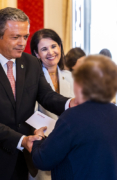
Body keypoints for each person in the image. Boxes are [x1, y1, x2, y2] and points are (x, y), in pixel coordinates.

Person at [0, 7, 76, 180]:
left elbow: (46, 96)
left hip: (23, 161)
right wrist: (22, 140)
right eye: (15, 37)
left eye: (25, 37)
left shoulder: (31, 63)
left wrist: (70, 104)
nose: (22, 43)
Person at [31, 55, 117, 180]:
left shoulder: (72, 117)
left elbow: (43, 160)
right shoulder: (114, 112)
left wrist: (38, 140)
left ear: (80, 84)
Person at [29, 29, 74, 180]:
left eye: (54, 46)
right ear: (36, 54)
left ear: (60, 47)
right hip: (45, 148)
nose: (51, 52)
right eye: (44, 49)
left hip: (70, 147)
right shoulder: (31, 80)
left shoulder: (71, 77)